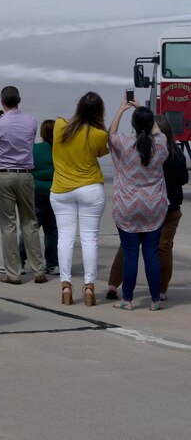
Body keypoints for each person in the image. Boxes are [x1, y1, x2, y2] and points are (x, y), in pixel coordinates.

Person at [107, 114, 187, 302]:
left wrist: (123, 109)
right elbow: (184, 178)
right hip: (167, 208)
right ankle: (159, 291)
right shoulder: (169, 151)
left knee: (128, 248)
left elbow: (111, 135)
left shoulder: (134, 149)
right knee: (162, 248)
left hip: (135, 206)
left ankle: (114, 284)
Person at [106, 101, 168, 311]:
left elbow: (111, 133)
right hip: (153, 207)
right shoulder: (160, 144)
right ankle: (155, 300)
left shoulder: (124, 143)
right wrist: (141, 108)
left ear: (132, 125)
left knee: (130, 254)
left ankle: (128, 300)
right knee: (151, 253)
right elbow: (157, 132)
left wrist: (122, 108)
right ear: (151, 123)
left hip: (127, 206)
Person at [50, 92, 109, 306]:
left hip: (61, 189)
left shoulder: (58, 126)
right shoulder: (98, 135)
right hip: (90, 189)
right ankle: (90, 287)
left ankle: (66, 285)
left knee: (64, 239)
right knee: (89, 239)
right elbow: (102, 152)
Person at [0, 86, 47, 285]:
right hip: (26, 175)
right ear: (19, 100)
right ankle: (38, 269)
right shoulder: (31, 121)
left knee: (8, 225)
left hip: (4, 175)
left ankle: (13, 272)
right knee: (30, 222)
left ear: (2, 102)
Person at [19, 120, 60, 275]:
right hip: (55, 192)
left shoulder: (33, 149)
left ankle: (20, 261)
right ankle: (52, 263)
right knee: (51, 229)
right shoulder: (60, 150)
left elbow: (25, 166)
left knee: (30, 226)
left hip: (35, 191)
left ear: (42, 133)